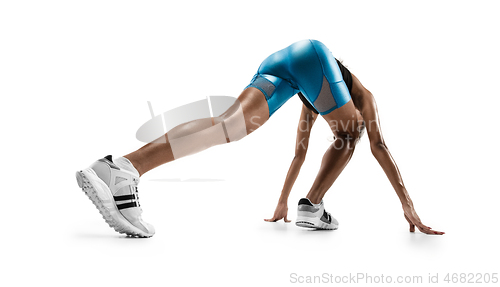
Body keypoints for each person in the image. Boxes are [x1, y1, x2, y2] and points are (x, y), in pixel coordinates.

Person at [76, 39, 444, 237]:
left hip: (284, 62)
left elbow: (299, 154)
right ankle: (313, 206)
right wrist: (407, 203)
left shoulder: (318, 98)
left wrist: (284, 202)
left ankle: (123, 169)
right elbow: (379, 146)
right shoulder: (362, 98)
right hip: (312, 56)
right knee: (352, 133)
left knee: (229, 126)